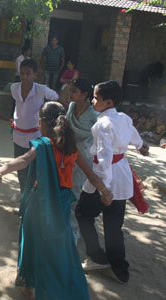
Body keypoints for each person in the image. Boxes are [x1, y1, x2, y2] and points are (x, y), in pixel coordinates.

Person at [0, 101, 113, 300]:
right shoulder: (71, 148)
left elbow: (24, 160)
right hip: (61, 206)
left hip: (39, 204)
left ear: (42, 122)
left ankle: (29, 285)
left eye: (38, 121)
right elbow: (92, 175)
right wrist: (105, 192)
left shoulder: (43, 145)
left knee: (31, 242)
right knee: (57, 248)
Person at [75, 80, 149, 284]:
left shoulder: (102, 124)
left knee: (82, 213)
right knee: (113, 224)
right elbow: (133, 133)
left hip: (105, 177)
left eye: (96, 98)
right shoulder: (123, 117)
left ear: (108, 102)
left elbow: (105, 157)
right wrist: (140, 145)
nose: (93, 100)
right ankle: (119, 269)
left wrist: (104, 188)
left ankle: (97, 257)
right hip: (122, 176)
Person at [10, 58, 58, 201]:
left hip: (35, 136)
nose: (24, 77)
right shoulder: (14, 88)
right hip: (18, 135)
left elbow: (56, 98)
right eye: (22, 73)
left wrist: (48, 120)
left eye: (28, 73)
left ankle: (33, 197)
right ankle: (24, 193)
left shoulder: (41, 90)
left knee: (34, 168)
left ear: (35, 75)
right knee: (20, 167)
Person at [66, 77, 97, 244]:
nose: (70, 94)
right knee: (65, 189)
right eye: (70, 90)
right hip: (68, 154)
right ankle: (65, 225)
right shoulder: (71, 107)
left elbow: (100, 136)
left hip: (84, 157)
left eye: (74, 91)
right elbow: (64, 128)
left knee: (76, 194)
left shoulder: (94, 114)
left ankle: (74, 232)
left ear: (85, 94)